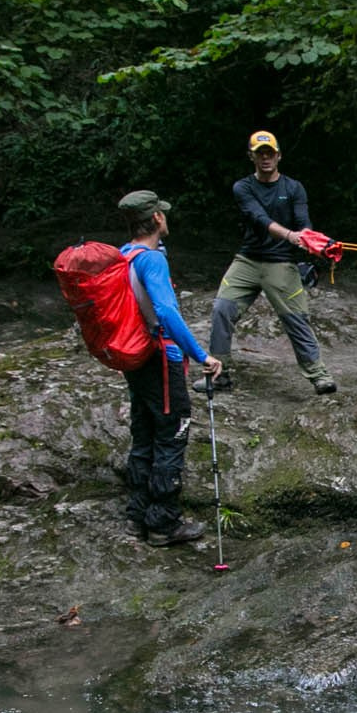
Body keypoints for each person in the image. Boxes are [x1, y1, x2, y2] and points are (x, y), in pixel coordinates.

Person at [117, 189, 223, 546]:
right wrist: (201, 354)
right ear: (158, 218)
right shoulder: (151, 260)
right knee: (172, 432)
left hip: (135, 357)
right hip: (161, 359)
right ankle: (163, 522)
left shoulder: (123, 255)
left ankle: (137, 515)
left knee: (144, 433)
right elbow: (165, 312)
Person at [208, 130, 336, 396]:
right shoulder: (243, 187)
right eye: (259, 154)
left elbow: (303, 222)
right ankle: (220, 375)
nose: (265, 158)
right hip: (248, 260)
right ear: (251, 157)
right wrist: (291, 235)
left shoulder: (293, 188)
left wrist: (315, 242)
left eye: (269, 153)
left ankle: (319, 376)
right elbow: (259, 219)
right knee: (222, 308)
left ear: (278, 155)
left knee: (296, 319)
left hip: (282, 263)